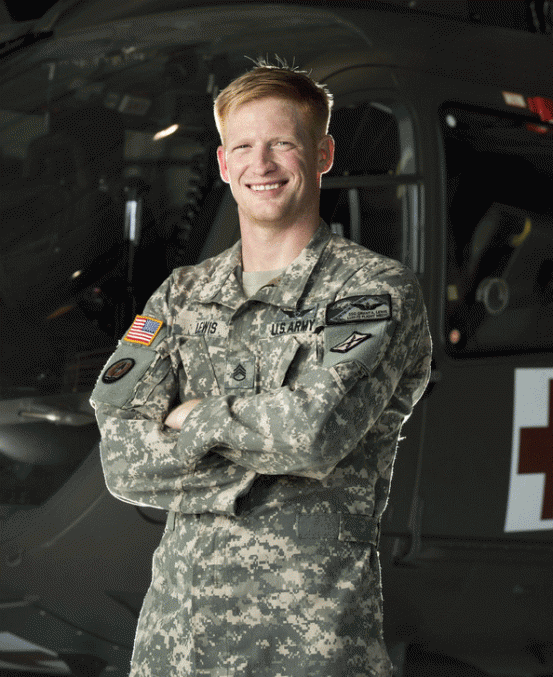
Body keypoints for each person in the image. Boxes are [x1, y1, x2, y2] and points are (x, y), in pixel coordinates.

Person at [90, 64, 431, 676]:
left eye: (282, 144)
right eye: (244, 147)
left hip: (304, 645)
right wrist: (259, 463)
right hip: (177, 640)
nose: (262, 164)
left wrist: (190, 418)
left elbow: (311, 433)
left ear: (322, 154)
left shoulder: (371, 291)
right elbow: (119, 454)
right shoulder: (180, 295)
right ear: (223, 165)